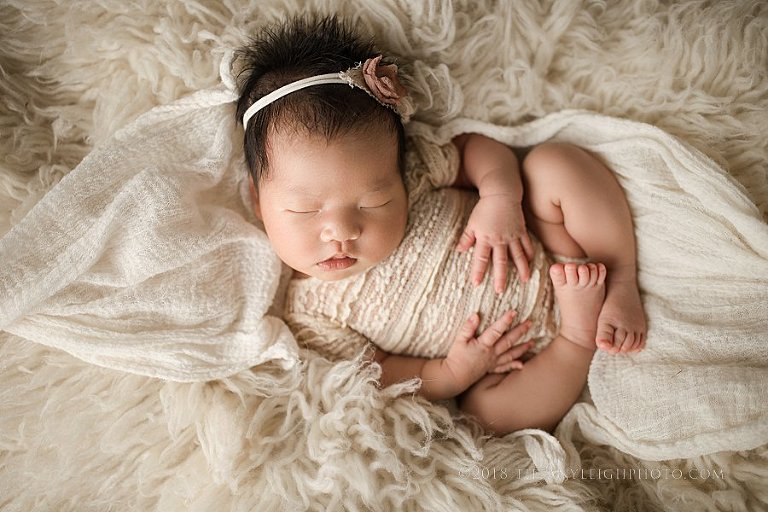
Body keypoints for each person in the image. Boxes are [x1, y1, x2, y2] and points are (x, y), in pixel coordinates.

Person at [235, 15, 646, 433]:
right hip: (518, 359)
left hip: (553, 242)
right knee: (487, 417)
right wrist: (452, 373)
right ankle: (578, 337)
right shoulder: (308, 315)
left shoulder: (416, 174)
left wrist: (500, 198)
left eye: (374, 200)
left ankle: (621, 278)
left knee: (554, 163)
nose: (342, 230)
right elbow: (380, 372)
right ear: (257, 198)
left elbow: (474, 150)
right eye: (306, 210)